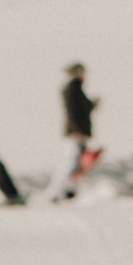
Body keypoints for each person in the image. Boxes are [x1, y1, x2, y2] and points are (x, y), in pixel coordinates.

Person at [43, 61, 100, 204]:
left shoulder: (75, 88)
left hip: (78, 131)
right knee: (70, 162)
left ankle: (69, 191)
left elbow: (82, 109)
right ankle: (55, 192)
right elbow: (73, 111)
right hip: (76, 132)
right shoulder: (72, 88)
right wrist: (76, 130)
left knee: (77, 163)